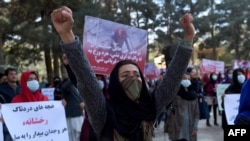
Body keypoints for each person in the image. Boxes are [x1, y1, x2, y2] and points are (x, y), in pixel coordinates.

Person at [51, 6, 195, 140]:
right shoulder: (103, 112)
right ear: (115, 83)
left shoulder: (150, 107)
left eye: (137, 75)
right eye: (125, 76)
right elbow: (86, 80)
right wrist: (67, 34)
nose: (133, 78)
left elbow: (173, 78)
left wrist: (188, 37)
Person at [164, 73, 199, 141]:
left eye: (188, 79)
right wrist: (172, 110)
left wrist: (195, 127)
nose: (186, 81)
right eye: (184, 79)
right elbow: (169, 107)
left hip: (189, 129)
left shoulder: (194, 96)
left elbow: (197, 114)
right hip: (176, 128)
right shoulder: (174, 94)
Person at [0, 68, 21, 141]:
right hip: (6, 121)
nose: (14, 76)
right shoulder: (1, 89)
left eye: (15, 74)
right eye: (11, 74)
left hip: (21, 120)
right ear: (6, 76)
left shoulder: (22, 88)